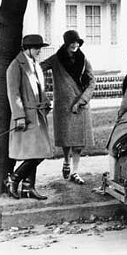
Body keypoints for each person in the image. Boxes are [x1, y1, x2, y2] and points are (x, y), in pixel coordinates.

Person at [41, 30, 96, 184]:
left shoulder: (83, 60)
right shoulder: (56, 59)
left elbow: (92, 82)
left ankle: (75, 171)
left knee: (78, 141)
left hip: (80, 105)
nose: (75, 45)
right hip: (64, 105)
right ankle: (66, 162)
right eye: (72, 42)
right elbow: (38, 69)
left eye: (77, 42)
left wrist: (82, 100)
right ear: (66, 43)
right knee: (66, 138)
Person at [5, 34, 53, 200]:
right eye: (37, 48)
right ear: (27, 48)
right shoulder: (15, 66)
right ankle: (14, 179)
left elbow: (40, 90)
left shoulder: (35, 65)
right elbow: (14, 93)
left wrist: (46, 102)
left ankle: (28, 188)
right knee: (38, 152)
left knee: (38, 151)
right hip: (26, 116)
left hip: (38, 115)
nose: (39, 51)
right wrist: (19, 116)